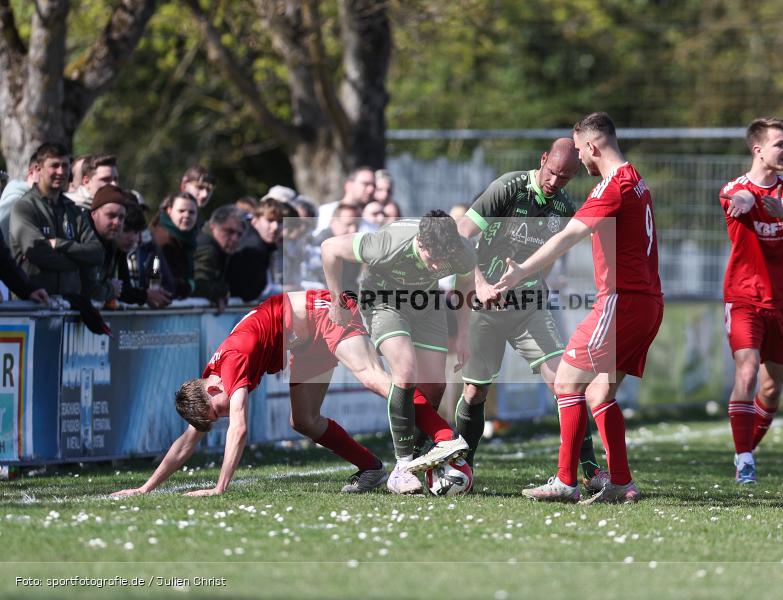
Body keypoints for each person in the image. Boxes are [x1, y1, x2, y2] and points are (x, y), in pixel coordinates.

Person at [497, 113, 663, 504]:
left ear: (592, 146)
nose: (579, 161)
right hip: (648, 302)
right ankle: (621, 482)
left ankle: (565, 481)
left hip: (621, 301)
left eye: (579, 150)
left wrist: (523, 268)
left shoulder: (612, 186)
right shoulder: (636, 179)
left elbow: (570, 235)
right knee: (600, 394)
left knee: (567, 381)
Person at [110, 291, 394, 497]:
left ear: (211, 390)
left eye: (217, 411)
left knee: (372, 379)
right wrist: (144, 488)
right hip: (303, 337)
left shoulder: (232, 363)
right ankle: (372, 468)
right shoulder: (212, 378)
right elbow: (186, 441)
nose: (224, 414)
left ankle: (438, 438)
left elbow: (240, 428)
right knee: (304, 420)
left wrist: (220, 488)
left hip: (319, 313)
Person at [455, 139, 608, 492]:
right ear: (542, 160)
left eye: (566, 177)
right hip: (487, 306)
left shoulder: (565, 206)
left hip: (529, 308)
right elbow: (462, 235)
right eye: (552, 172)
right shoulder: (507, 188)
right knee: (475, 391)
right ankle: (463, 468)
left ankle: (589, 469)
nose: (556, 181)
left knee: (564, 385)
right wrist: (478, 284)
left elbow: (554, 253)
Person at [321, 210, 475, 492]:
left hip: (427, 304)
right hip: (383, 300)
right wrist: (335, 300)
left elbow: (465, 285)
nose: (438, 265)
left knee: (434, 387)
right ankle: (403, 467)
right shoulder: (387, 243)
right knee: (404, 371)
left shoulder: (462, 250)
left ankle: (418, 459)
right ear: (420, 242)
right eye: (433, 258)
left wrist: (464, 335)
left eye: (444, 260)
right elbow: (329, 248)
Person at [718, 117, 783, 484]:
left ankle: (746, 449)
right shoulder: (734, 189)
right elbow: (738, 197)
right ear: (758, 150)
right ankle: (744, 461)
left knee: (771, 389)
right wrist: (749, 199)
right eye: (780, 144)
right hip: (743, 298)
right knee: (746, 369)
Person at [10, 143, 104, 296]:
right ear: (39, 169)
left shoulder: (74, 210)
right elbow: (38, 253)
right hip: (33, 306)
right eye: (54, 166)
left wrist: (59, 244)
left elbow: (97, 253)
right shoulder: (24, 207)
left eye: (65, 166)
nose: (61, 172)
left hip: (69, 308)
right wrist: (80, 261)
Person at [116, 200, 172, 308]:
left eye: (137, 232)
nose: (132, 238)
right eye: (126, 230)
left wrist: (149, 294)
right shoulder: (107, 251)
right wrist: (146, 295)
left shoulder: (151, 249)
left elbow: (125, 290)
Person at [227, 198, 283, 302]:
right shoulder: (252, 249)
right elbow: (247, 294)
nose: (275, 227)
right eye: (269, 220)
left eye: (280, 222)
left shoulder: (264, 246)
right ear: (255, 220)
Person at [84, 185, 132, 303]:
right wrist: (111, 289)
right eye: (110, 215)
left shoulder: (113, 245)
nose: (116, 222)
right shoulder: (84, 241)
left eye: (121, 217)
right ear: (94, 214)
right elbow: (88, 288)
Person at [193, 204, 245, 312]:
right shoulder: (207, 248)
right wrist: (223, 292)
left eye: (239, 234)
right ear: (213, 226)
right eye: (229, 232)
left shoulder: (218, 248)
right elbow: (200, 284)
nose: (235, 238)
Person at [151, 192, 200, 299]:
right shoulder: (162, 241)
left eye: (192, 212)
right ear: (169, 211)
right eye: (181, 211)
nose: (187, 215)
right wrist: (191, 286)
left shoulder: (188, 239)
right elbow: (162, 279)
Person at [314, 167, 375, 235]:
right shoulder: (326, 211)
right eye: (365, 184)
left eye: (373, 185)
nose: (371, 189)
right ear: (349, 185)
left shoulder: (371, 219)